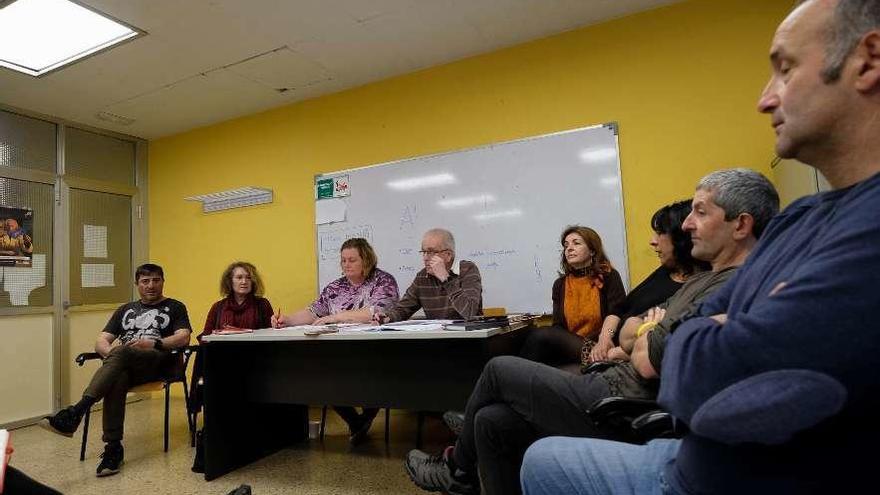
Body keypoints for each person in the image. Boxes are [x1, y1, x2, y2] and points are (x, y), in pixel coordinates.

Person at [520, 1, 880, 493]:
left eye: (786, 69)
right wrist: (721, 327)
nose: (765, 99)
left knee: (538, 451)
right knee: (526, 441)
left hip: (721, 478)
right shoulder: (799, 217)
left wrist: (700, 335)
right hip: (689, 452)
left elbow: (699, 380)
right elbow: (698, 334)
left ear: (869, 60)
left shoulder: (869, 229)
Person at [404, 169, 779, 495]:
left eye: (700, 212)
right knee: (491, 421)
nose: (686, 224)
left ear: (741, 225)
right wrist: (645, 333)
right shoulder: (705, 279)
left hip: (620, 400)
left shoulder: (735, 284)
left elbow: (652, 354)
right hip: (611, 377)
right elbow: (636, 326)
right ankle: (466, 460)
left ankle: (456, 469)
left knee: (500, 368)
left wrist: (645, 335)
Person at [42, 264, 192, 477]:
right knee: (117, 376)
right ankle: (113, 448)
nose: (151, 285)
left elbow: (183, 336)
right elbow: (101, 340)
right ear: (137, 284)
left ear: (163, 281)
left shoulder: (175, 306)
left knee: (120, 355)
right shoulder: (125, 309)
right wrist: (113, 354)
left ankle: (77, 411)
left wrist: (154, 344)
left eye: (156, 280)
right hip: (126, 363)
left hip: (158, 362)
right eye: (145, 281)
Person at [272, 238, 399, 443]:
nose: (346, 265)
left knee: (376, 375)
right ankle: (355, 422)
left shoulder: (383, 281)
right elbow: (314, 312)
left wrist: (337, 316)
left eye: (352, 260)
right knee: (319, 375)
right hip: (339, 350)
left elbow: (378, 311)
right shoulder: (335, 287)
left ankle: (365, 417)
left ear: (366, 260)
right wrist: (287, 320)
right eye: (343, 260)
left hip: (374, 350)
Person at [589, 200, 710, 363]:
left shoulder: (699, 288)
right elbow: (621, 309)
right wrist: (604, 339)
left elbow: (663, 343)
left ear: (682, 238)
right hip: (609, 344)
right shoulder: (667, 269)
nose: (652, 241)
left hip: (622, 359)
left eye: (660, 233)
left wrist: (616, 353)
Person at [518, 226, 626, 366]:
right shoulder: (560, 284)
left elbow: (616, 312)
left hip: (601, 343)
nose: (569, 248)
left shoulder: (609, 275)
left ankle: (511, 379)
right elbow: (558, 327)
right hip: (570, 346)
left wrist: (604, 339)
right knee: (531, 336)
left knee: (541, 335)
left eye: (576, 243)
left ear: (592, 250)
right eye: (566, 245)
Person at [375, 228, 482, 323]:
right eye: (424, 252)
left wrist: (446, 278)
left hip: (467, 338)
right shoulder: (422, 276)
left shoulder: (467, 269)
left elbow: (470, 313)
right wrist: (387, 317)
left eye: (431, 252)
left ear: (448, 255)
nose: (425, 257)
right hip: (437, 338)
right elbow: (404, 309)